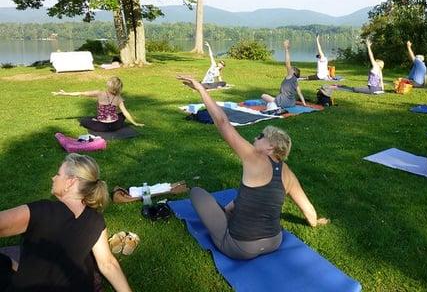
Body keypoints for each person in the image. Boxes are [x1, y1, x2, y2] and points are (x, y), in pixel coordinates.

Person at [176, 75, 329, 260]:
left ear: (270, 148)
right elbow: (307, 208)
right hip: (274, 241)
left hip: (240, 248)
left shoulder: (254, 157)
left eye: (261, 136)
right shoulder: (287, 173)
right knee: (242, 198)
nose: (256, 138)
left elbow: (222, 122)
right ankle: (227, 213)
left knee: (197, 193)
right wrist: (315, 222)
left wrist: (201, 89)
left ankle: (225, 219)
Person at [0, 153, 132, 291]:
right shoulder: (96, 220)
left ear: (70, 182)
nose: (53, 178)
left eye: (58, 174)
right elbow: (108, 264)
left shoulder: (41, 211)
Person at [53, 76, 144, 132]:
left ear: (109, 85)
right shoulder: (119, 98)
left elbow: (81, 93)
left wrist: (64, 93)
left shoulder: (99, 93)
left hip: (101, 127)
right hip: (115, 126)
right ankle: (99, 119)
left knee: (84, 120)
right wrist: (135, 123)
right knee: (122, 115)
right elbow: (126, 113)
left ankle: (97, 120)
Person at [261, 40, 307, 109]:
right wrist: (304, 104)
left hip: (282, 102)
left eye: (292, 68)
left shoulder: (290, 76)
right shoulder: (295, 82)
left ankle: (274, 103)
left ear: (293, 72)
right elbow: (299, 93)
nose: (291, 68)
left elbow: (287, 63)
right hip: (291, 103)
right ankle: (275, 102)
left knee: (263, 95)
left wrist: (286, 49)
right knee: (274, 98)